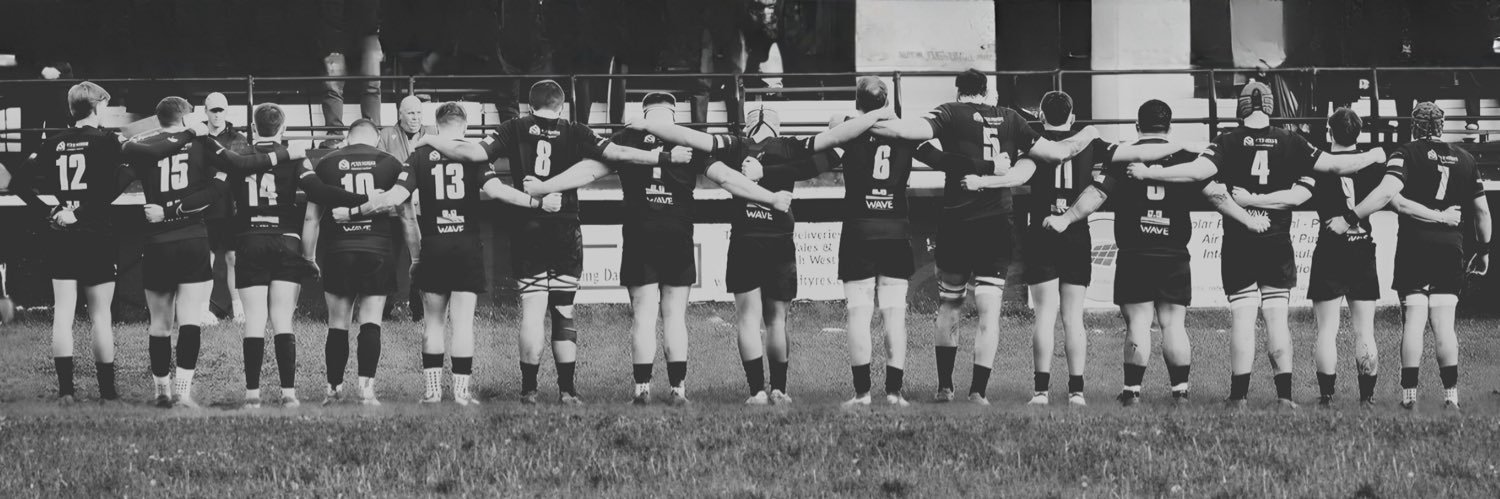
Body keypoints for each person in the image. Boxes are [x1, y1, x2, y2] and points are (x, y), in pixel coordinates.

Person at [868, 69, 1179, 405]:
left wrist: (870, 120)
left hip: (985, 224)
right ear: (986, 92)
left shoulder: (975, 122)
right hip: (1029, 229)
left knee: (960, 306)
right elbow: (1082, 154)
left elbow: (918, 136)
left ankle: (970, 388)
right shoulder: (1022, 123)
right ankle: (1020, 392)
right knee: (1030, 314)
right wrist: (1168, 146)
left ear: (959, 92)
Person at [413, 80, 686, 404]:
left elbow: (471, 152)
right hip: (565, 226)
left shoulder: (513, 127)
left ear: (530, 105)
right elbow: (620, 153)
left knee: (531, 311)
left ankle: (529, 390)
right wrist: (664, 158)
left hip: (528, 228)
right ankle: (567, 391)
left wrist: (430, 138)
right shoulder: (575, 130)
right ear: (561, 105)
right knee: (563, 311)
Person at [1129, 82, 1386, 409]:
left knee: (1243, 320)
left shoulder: (1226, 140)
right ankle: (1284, 397)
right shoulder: (1291, 140)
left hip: (1239, 242)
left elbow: (1197, 172)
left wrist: (1151, 173)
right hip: (1276, 241)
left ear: (1241, 107)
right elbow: (1338, 165)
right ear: (1270, 104)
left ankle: (1238, 397)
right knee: (1277, 320)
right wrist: (1375, 154)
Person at [526, 92, 790, 406]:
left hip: (640, 232)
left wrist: (546, 186)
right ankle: (678, 390)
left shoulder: (626, 138)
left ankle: (642, 390)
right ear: (673, 114)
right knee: (674, 316)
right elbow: (728, 179)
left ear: (645, 112)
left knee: (643, 315)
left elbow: (587, 172)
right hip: (677, 232)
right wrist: (770, 198)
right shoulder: (689, 142)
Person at [628, 103, 891, 406]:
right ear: (776, 127)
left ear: (748, 125)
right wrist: (856, 124)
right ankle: (779, 389)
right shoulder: (791, 146)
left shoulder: (735, 144)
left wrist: (649, 126)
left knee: (747, 320)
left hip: (745, 239)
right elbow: (832, 147)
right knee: (778, 321)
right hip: (779, 239)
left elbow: (689, 137)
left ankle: (756, 391)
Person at [1044, 100, 1270, 407]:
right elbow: (1218, 196)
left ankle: (1132, 393)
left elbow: (1095, 195)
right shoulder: (1186, 158)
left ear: (1138, 127)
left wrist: (1066, 218)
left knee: (1138, 322)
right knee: (1173, 324)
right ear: (1170, 127)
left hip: (1135, 252)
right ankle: (1180, 393)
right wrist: (1249, 220)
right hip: (1173, 252)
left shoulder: (1127, 156)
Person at [122, 96, 298, 409]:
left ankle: (161, 391)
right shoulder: (202, 143)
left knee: (159, 324)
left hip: (157, 240)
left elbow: (126, 157)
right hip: (191, 237)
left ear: (159, 118)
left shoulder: (141, 145)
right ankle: (183, 392)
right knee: (190, 319)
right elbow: (240, 166)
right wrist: (285, 153)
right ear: (188, 117)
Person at [404, 103, 546, 406]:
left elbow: (402, 199)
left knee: (433, 323)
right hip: (465, 245)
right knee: (463, 323)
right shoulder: (474, 154)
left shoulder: (418, 154)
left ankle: (431, 392)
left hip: (433, 243)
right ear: (464, 126)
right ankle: (461, 393)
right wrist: (535, 203)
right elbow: (497, 191)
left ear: (436, 125)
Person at [9, 82, 127, 404]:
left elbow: (17, 183)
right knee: (100, 315)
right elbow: (118, 183)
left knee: (63, 313)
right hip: (97, 235)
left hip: (62, 235)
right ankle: (108, 393)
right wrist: (84, 212)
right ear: (97, 107)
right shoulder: (108, 141)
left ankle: (66, 393)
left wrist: (53, 210)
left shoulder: (53, 143)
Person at [1384, 102, 1492, 410]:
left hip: (1414, 247)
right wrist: (1483, 251)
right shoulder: (1466, 158)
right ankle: (1451, 398)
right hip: (1449, 249)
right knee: (1445, 325)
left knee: (1413, 324)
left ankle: (1409, 398)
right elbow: (1481, 211)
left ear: (1415, 126)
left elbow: (1395, 199)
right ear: (1442, 126)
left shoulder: (1405, 153)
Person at [300, 119, 415, 406]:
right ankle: (366, 390)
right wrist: (417, 256)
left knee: (337, 324)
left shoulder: (326, 163)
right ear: (376, 139)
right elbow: (407, 216)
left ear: (347, 139)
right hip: (376, 248)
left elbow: (311, 217)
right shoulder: (390, 162)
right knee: (371, 322)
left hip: (339, 250)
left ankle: (334, 389)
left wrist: (309, 257)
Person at [225, 103, 326, 409]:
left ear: (254, 129)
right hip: (286, 240)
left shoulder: (239, 155)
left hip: (250, 239)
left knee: (254, 320)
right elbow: (315, 191)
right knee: (283, 319)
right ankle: (289, 394)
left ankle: (252, 397)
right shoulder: (296, 156)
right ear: (283, 129)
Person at [1308, 108, 1405, 407]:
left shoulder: (1320, 164)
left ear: (1329, 131)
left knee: (1327, 329)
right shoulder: (1374, 165)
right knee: (1364, 329)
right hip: (1363, 247)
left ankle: (1326, 396)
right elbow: (1391, 198)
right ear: (1358, 133)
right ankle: (1367, 398)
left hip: (1330, 247)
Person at [833, 77, 918, 408]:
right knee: (894, 315)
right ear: (888, 103)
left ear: (857, 104)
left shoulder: (848, 129)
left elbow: (834, 126)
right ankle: (895, 393)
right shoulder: (905, 133)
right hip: (895, 231)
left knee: (859, 314)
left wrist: (865, 116)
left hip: (858, 230)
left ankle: (862, 394)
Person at [376, 95, 438, 322]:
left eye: (419, 113)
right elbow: (379, 168)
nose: (416, 118)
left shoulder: (434, 132)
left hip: (424, 209)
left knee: (423, 257)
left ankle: (419, 311)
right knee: (389, 257)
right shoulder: (385, 134)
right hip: (394, 210)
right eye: (411, 113)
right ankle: (385, 310)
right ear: (400, 114)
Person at [202, 92, 250, 325]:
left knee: (232, 257)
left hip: (231, 205)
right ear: (206, 111)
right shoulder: (198, 136)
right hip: (205, 206)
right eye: (213, 110)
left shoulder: (237, 137)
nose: (217, 115)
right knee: (206, 257)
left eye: (221, 110)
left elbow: (241, 169)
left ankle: (238, 310)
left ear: (227, 111)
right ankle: (202, 308)